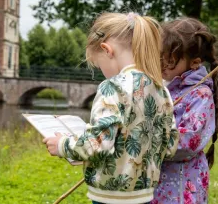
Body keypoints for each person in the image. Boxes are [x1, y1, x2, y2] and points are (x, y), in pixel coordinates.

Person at [43, 12, 179, 204]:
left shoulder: (113, 87)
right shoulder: (161, 89)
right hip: (145, 194)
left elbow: (98, 144)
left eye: (99, 66)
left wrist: (62, 145)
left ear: (107, 50)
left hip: (110, 197)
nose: (102, 72)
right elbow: (170, 144)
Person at [151, 17, 218, 204]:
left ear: (195, 62)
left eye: (171, 59)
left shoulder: (201, 94)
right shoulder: (164, 88)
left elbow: (190, 140)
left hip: (182, 188)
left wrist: (147, 140)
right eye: (161, 56)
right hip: (159, 184)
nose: (163, 64)